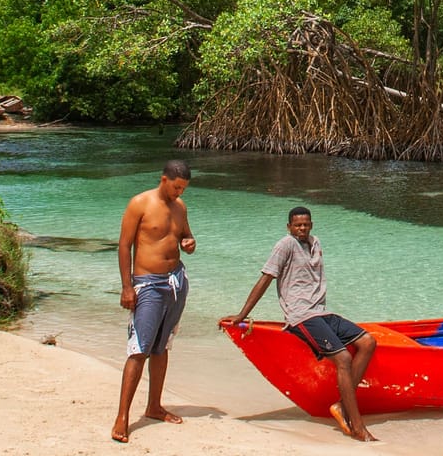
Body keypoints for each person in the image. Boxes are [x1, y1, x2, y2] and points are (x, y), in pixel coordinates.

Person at [221, 206, 377, 442]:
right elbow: (266, 278)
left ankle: (341, 405)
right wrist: (242, 315)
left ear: (311, 225)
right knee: (343, 358)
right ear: (289, 227)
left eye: (305, 224)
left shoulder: (316, 243)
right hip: (301, 315)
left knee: (368, 342)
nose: (302, 228)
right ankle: (358, 427)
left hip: (321, 312)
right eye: (297, 225)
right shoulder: (285, 245)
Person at [110, 159, 195, 443]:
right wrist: (126, 287)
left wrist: (189, 243)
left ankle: (154, 405)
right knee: (139, 349)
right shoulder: (140, 204)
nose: (179, 193)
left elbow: (185, 236)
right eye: (176, 187)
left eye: (183, 189)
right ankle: (122, 416)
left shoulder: (180, 207)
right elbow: (124, 245)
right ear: (163, 180)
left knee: (162, 346)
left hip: (176, 282)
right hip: (148, 283)